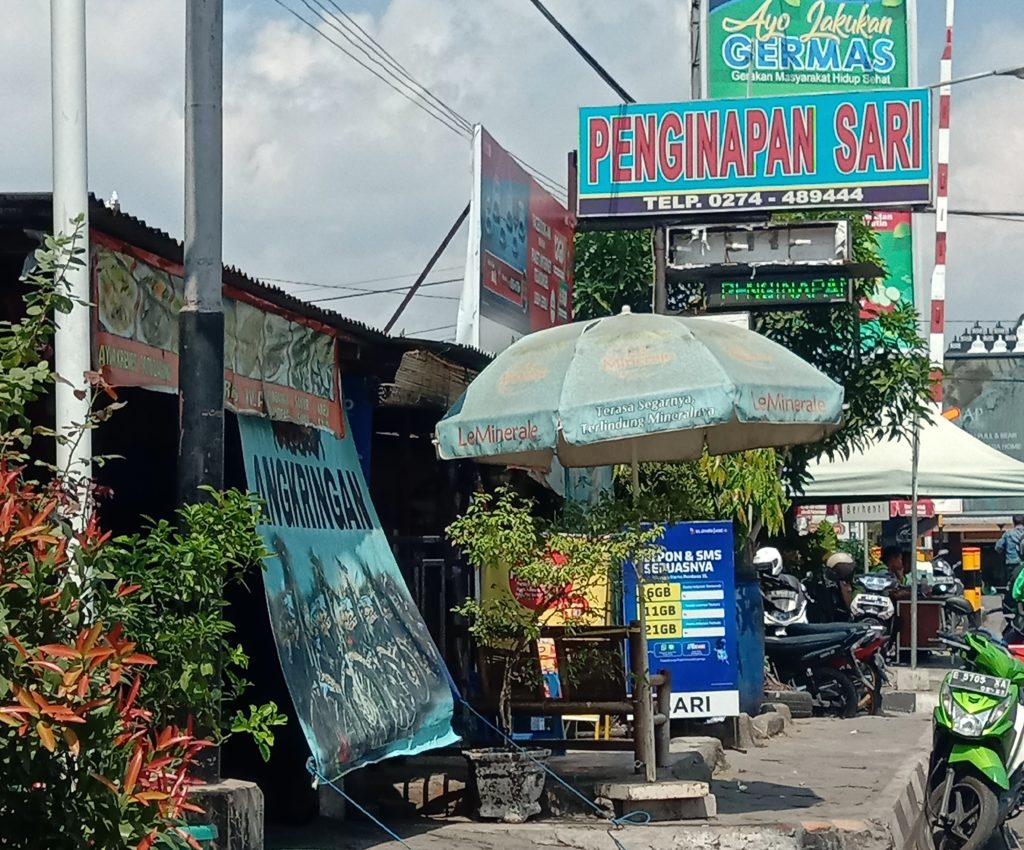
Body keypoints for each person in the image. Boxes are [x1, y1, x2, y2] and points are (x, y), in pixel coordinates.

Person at [995, 515, 1024, 607]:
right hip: (1023, 564)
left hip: (1012, 564)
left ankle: (1012, 605)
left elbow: (998, 548)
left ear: (1013, 522)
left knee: (1012, 585)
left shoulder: (1008, 534)